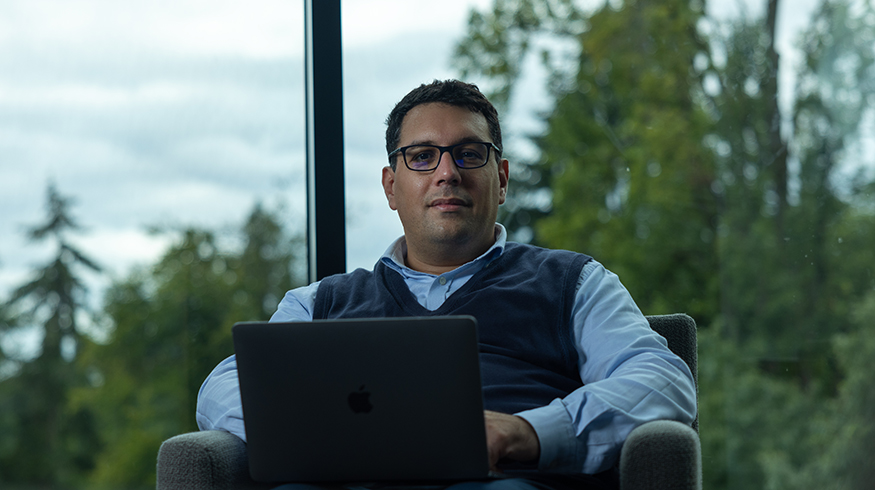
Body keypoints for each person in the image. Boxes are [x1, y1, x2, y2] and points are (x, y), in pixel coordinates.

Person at [196, 79, 697, 490]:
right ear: (392, 187)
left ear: (501, 179)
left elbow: (663, 381)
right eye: (421, 156)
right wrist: (339, 437)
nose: (447, 173)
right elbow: (222, 388)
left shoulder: (575, 283)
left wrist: (529, 431)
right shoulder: (317, 303)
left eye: (468, 153)